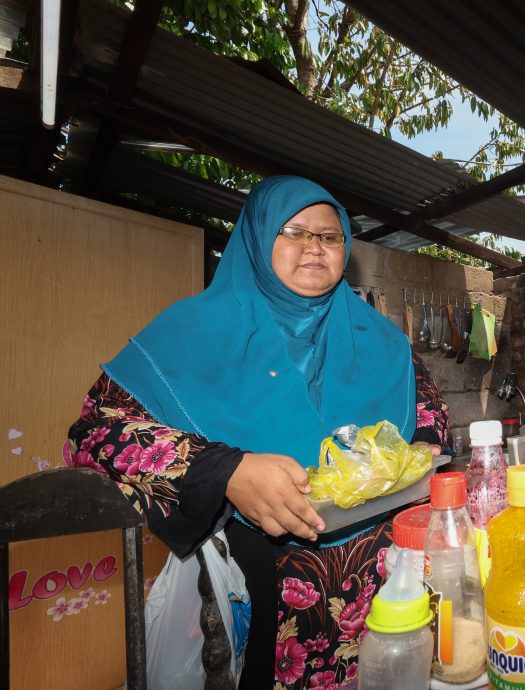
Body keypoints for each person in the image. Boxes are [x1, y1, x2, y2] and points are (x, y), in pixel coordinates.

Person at [66, 176, 447, 689]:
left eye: (330, 236)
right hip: (263, 599)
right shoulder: (193, 330)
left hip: (388, 597)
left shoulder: (379, 337)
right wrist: (224, 470)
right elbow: (93, 434)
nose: (315, 246)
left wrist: (419, 450)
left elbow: (427, 414)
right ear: (256, 237)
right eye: (294, 231)